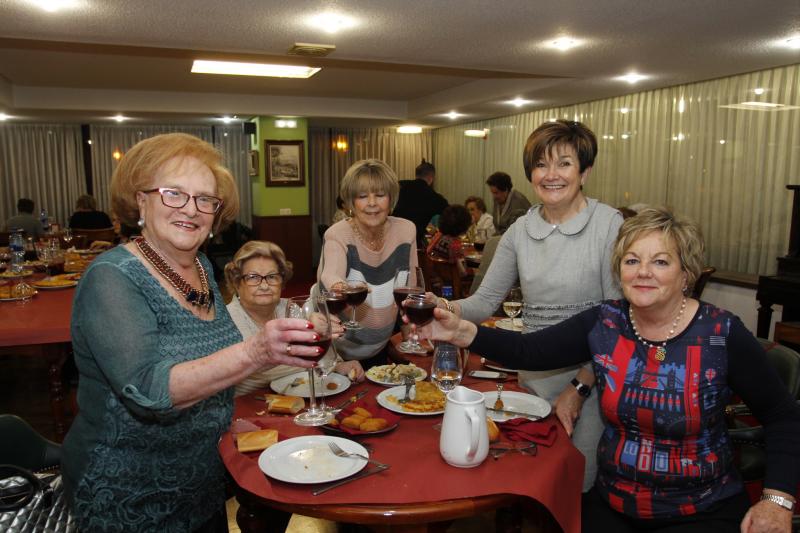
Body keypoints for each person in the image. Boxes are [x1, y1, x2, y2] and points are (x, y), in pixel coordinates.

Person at [420, 207, 800, 533]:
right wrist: (462, 331)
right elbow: (529, 350)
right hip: (615, 504)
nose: (643, 272)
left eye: (661, 261)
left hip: (700, 510)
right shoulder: (607, 322)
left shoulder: (721, 332)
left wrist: (777, 500)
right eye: (632, 260)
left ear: (687, 273)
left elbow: (784, 416)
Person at [64, 133, 323, 532]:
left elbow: (208, 366)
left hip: (203, 480)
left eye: (206, 199)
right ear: (141, 200)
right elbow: (149, 390)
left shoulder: (201, 266)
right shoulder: (111, 278)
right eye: (173, 193)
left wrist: (225, 420)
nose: (192, 209)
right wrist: (256, 352)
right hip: (128, 494)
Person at [442, 119, 623, 492]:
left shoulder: (608, 226)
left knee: (578, 486)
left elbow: (617, 322)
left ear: (585, 171)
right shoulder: (520, 231)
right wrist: (441, 308)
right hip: (532, 379)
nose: (551, 175)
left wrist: (580, 387)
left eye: (564, 163)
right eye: (541, 165)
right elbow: (486, 300)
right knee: (529, 486)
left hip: (593, 383)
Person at [225, 240, 364, 396]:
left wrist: (338, 365)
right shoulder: (226, 321)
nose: (264, 285)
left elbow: (317, 354)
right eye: (253, 277)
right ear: (237, 283)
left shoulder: (290, 308)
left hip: (299, 397)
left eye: (272, 277)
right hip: (250, 404)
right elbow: (246, 374)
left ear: (282, 282)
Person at [318, 159, 417, 367]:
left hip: (382, 349)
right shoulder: (338, 233)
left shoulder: (406, 230)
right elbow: (330, 274)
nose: (372, 203)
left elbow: (410, 290)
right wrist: (342, 288)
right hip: (339, 355)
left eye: (380, 195)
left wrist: (411, 340)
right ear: (351, 202)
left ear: (391, 199)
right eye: (362, 196)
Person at [392, 158, 449, 246]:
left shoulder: (399, 186)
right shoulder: (434, 197)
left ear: (416, 175)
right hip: (413, 242)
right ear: (431, 178)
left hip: (390, 238)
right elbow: (452, 214)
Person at [427, 204, 473, 277]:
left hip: (435, 277)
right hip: (452, 282)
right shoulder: (455, 245)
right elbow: (462, 273)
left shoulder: (438, 236)